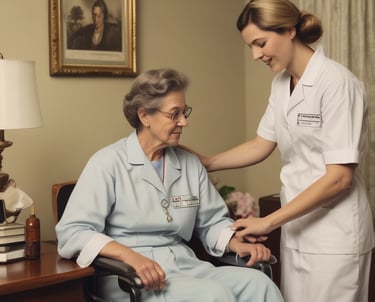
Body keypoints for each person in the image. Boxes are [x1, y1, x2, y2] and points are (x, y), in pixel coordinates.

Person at [182, 1, 375, 302]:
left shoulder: (337, 83)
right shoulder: (281, 84)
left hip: (334, 236)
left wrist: (268, 222)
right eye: (251, 47)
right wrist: (207, 162)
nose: (256, 55)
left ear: (289, 30)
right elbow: (262, 143)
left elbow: (339, 178)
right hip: (297, 229)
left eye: (260, 43)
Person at [55, 68, 284, 302]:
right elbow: (72, 233)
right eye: (174, 114)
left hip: (185, 265)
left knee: (259, 285)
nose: (183, 122)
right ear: (144, 116)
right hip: (131, 276)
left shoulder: (189, 164)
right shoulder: (107, 163)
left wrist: (235, 243)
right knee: (214, 295)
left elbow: (212, 222)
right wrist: (130, 257)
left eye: (185, 113)